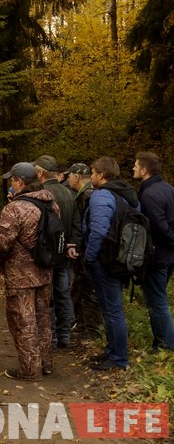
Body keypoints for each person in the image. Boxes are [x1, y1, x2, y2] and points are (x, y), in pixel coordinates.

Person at [0, 162, 55, 380]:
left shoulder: (15, 208)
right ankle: (45, 363)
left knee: (23, 321)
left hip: (20, 275)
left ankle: (30, 370)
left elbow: (1, 242)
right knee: (43, 318)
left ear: (20, 181)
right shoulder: (50, 203)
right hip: (45, 271)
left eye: (12, 180)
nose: (10, 183)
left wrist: (1, 262)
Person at [82, 156, 137, 371]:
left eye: (93, 173)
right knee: (110, 308)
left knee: (112, 309)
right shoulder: (127, 194)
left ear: (102, 175)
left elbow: (98, 230)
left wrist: (90, 257)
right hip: (122, 259)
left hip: (107, 260)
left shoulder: (102, 196)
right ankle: (112, 351)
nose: (92, 176)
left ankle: (118, 358)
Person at [33, 155, 80, 349]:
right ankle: (65, 336)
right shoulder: (69, 193)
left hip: (45, 256)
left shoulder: (40, 193)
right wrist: (72, 245)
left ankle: (50, 338)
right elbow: (77, 224)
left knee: (46, 297)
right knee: (63, 294)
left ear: (40, 172)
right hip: (63, 255)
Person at [133, 152, 174, 351]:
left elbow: (159, 226)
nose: (133, 168)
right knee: (158, 300)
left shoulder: (150, 194)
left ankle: (166, 346)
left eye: (136, 165)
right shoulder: (168, 188)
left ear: (144, 170)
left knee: (157, 302)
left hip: (158, 255)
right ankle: (161, 343)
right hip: (167, 255)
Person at [66, 163, 102, 338]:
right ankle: (81, 325)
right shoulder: (83, 194)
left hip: (88, 251)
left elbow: (88, 226)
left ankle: (92, 330)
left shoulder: (88, 195)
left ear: (76, 177)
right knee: (80, 287)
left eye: (69, 176)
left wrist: (85, 250)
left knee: (89, 291)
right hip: (83, 250)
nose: (67, 179)